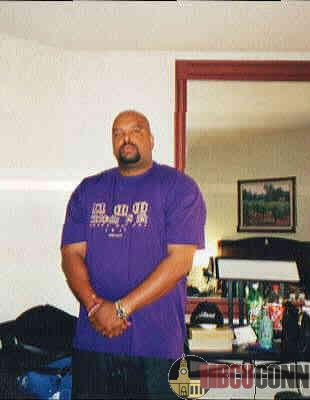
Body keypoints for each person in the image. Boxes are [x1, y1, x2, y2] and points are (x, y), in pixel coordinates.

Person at [60, 110, 206, 399]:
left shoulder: (180, 188)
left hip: (158, 347)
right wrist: (94, 308)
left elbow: (180, 261)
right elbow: (71, 255)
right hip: (94, 342)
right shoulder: (88, 191)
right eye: (118, 133)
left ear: (151, 139)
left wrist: (120, 309)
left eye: (135, 130)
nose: (126, 138)